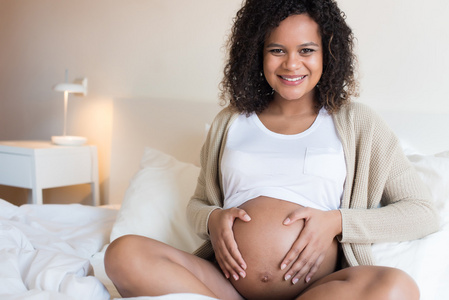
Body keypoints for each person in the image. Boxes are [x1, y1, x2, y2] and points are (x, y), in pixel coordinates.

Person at [105, 0, 440, 299]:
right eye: (277, 50)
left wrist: (336, 222)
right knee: (122, 253)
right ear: (257, 53)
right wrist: (213, 219)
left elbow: (421, 212)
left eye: (307, 50)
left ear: (328, 53)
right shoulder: (230, 122)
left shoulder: (358, 123)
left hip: (317, 289)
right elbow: (198, 204)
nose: (291, 65)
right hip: (225, 287)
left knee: (398, 287)